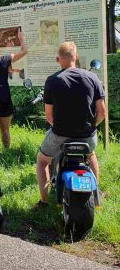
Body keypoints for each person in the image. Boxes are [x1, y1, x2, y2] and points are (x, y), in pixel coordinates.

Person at [35, 42, 106, 206]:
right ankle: (95, 198)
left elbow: (49, 116)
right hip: (87, 136)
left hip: (60, 135)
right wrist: (91, 127)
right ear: (77, 57)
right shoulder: (93, 78)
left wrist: (59, 127)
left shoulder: (52, 80)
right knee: (91, 155)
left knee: (42, 161)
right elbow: (102, 113)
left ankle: (44, 201)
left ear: (57, 59)